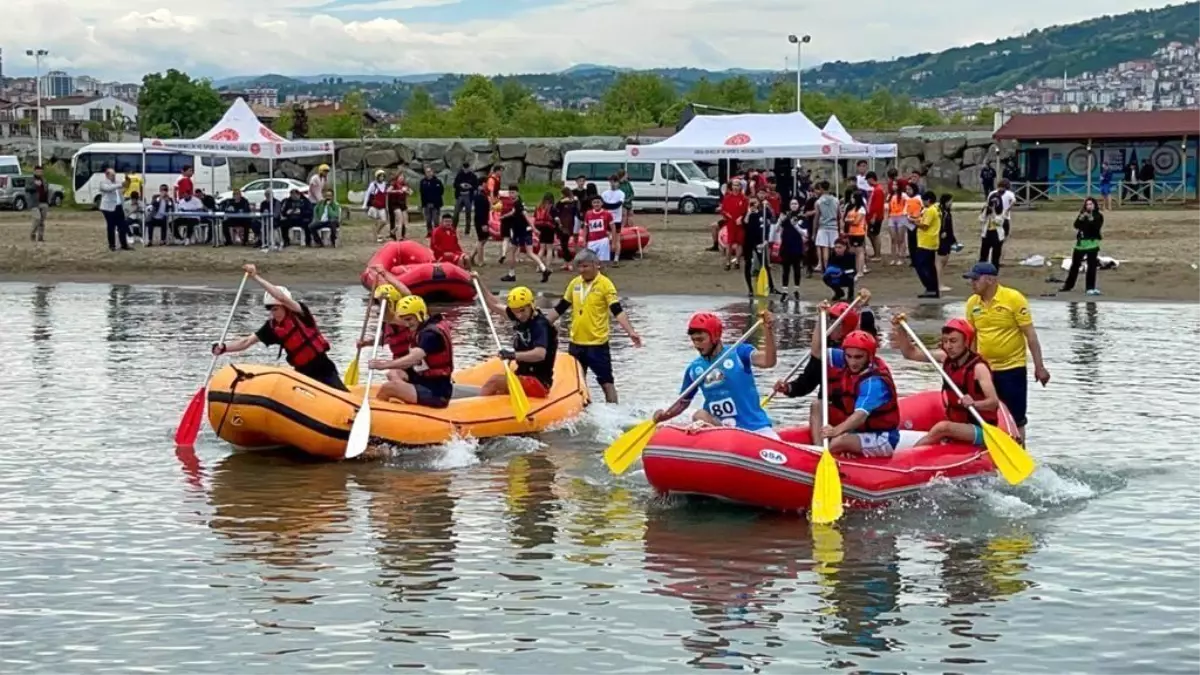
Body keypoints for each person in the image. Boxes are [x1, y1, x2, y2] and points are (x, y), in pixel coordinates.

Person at [212, 264, 347, 392]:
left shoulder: (299, 312)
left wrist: (255, 276)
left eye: (275, 308)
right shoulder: (271, 327)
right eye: (269, 309)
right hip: (302, 372)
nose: (272, 312)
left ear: (284, 307)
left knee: (338, 394)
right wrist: (224, 348)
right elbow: (246, 342)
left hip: (323, 367)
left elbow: (281, 297)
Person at [652, 310, 779, 438]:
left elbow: (768, 361)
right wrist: (665, 415)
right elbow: (682, 402)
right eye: (694, 340)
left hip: (755, 428)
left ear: (715, 336)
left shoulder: (739, 352)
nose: (697, 345)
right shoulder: (694, 369)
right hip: (721, 429)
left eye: (701, 340)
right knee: (699, 415)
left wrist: (768, 330)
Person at [963, 262, 1050, 443]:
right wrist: (969, 368)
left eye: (975, 279)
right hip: (985, 370)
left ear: (990, 280)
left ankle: (1020, 452)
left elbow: (1030, 335)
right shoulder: (972, 303)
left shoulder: (1013, 298)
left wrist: (1039, 367)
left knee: (1016, 418)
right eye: (971, 279)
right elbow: (972, 338)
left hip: (1012, 368)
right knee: (984, 415)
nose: (972, 283)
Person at [544, 249, 642, 403]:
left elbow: (617, 310)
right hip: (576, 343)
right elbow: (560, 308)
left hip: (597, 344)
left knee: (606, 383)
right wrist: (540, 324)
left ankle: (614, 413)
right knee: (577, 384)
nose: (582, 271)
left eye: (585, 266)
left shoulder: (605, 284)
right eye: (579, 267)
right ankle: (584, 410)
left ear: (597, 265)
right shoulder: (575, 283)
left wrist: (631, 332)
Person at [890, 315, 1002, 448]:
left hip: (982, 428)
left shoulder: (979, 368)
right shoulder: (945, 358)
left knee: (943, 427)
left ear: (966, 342)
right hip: (960, 423)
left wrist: (974, 404)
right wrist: (901, 329)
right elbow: (911, 353)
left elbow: (993, 403)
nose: (948, 346)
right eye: (945, 341)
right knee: (940, 426)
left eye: (953, 341)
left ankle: (909, 457)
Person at [808, 317, 907, 457]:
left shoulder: (875, 382)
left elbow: (859, 417)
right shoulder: (847, 359)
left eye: (858, 357)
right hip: (858, 431)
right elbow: (817, 351)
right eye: (849, 356)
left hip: (882, 438)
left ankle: (825, 456)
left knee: (839, 441)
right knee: (817, 405)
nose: (853, 362)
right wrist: (820, 318)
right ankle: (818, 451)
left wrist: (836, 431)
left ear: (870, 356)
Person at [773, 291, 876, 400]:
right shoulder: (825, 349)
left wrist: (864, 305)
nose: (829, 324)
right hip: (831, 406)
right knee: (816, 406)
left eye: (834, 321)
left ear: (845, 326)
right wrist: (788, 388)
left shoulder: (861, 347)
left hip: (856, 404)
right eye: (829, 320)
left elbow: (866, 327)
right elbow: (807, 382)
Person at [475, 278, 559, 398]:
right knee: (498, 388)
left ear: (531, 305)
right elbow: (493, 304)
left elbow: (540, 354)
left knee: (494, 381)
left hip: (539, 383)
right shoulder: (517, 316)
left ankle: (478, 411)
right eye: (515, 312)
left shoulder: (540, 325)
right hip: (523, 376)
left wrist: (513, 355)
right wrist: (478, 280)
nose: (519, 315)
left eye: (522, 310)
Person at [368, 295, 455, 408]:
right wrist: (385, 304)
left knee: (388, 388)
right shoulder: (424, 324)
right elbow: (391, 318)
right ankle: (406, 401)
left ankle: (379, 412)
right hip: (423, 381)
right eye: (405, 320)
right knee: (394, 372)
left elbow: (414, 358)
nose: (407, 324)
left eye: (409, 319)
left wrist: (383, 365)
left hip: (436, 393)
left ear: (420, 314)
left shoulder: (430, 334)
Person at [498, 184, 551, 283]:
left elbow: (525, 215)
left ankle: (511, 274)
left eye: (513, 192)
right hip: (525, 230)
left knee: (513, 252)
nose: (511, 194)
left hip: (521, 231)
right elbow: (514, 211)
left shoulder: (518, 204)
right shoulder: (518, 202)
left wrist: (534, 228)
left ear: (517, 193)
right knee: (529, 253)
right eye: (510, 192)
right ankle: (544, 269)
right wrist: (504, 216)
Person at [1060, 197, 1104, 296]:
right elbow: (1076, 225)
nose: (1089, 206)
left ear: (1094, 205)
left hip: (1092, 244)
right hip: (1081, 244)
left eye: (1091, 204)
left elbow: (1096, 228)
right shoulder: (1082, 215)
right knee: (1075, 265)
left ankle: (1090, 287)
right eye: (1087, 204)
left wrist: (1091, 219)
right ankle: (1068, 285)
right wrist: (1081, 218)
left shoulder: (1098, 216)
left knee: (1091, 266)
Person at [771, 198, 806, 298]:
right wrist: (779, 221)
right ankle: (785, 290)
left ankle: (796, 289)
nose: (794, 205)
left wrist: (796, 226)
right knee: (785, 269)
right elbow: (777, 230)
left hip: (797, 246)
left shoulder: (801, 217)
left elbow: (804, 233)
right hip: (786, 246)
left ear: (798, 205)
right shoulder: (786, 217)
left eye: (796, 203)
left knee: (797, 268)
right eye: (792, 204)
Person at [979, 178, 1015, 267]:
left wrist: (1003, 211)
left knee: (997, 244)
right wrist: (1007, 210)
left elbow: (997, 220)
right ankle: (991, 262)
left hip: (999, 219)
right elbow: (1014, 201)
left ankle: (994, 262)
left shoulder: (994, 194)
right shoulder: (1006, 193)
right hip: (995, 222)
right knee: (994, 245)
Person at [913, 190, 942, 299]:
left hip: (926, 242)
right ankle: (934, 289)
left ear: (928, 200)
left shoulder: (930, 210)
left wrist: (915, 222)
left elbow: (925, 225)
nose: (923, 203)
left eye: (924, 201)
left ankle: (930, 287)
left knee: (920, 265)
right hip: (931, 241)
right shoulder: (936, 209)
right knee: (930, 266)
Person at [98, 167, 131, 252]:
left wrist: (127, 179)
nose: (114, 177)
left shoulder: (117, 182)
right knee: (111, 227)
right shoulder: (103, 183)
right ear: (107, 175)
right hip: (108, 208)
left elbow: (125, 187)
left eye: (114, 175)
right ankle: (112, 245)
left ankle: (124, 244)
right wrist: (121, 184)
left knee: (122, 226)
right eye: (112, 175)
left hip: (118, 207)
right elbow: (108, 188)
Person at [581, 195, 615, 265]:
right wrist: (584, 240)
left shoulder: (607, 214)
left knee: (603, 262)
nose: (596, 204)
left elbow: (613, 228)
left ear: (602, 203)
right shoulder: (588, 214)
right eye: (594, 202)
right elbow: (586, 228)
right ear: (591, 204)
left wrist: (613, 242)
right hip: (591, 241)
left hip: (603, 240)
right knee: (591, 261)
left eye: (598, 202)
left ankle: (602, 274)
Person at [936, 193, 957, 293]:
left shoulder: (947, 212)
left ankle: (939, 283)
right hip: (942, 239)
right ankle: (939, 284)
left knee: (944, 261)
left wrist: (953, 240)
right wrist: (941, 232)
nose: (951, 203)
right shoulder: (942, 212)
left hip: (947, 239)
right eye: (950, 201)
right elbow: (940, 225)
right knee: (940, 261)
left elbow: (950, 228)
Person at [363, 169, 390, 243]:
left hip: (382, 206)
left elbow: (387, 195)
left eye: (383, 176)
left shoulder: (385, 184)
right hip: (374, 206)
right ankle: (377, 236)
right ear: (377, 177)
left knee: (384, 221)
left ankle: (377, 232)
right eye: (380, 176)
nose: (382, 177)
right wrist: (365, 205)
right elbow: (367, 194)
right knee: (375, 222)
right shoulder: (373, 185)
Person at [26, 165, 50, 243]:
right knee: (37, 218)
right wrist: (35, 185)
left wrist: (48, 201)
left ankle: (40, 237)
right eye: (38, 171)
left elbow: (47, 190)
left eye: (41, 171)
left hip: (43, 202)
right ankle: (32, 234)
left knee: (42, 221)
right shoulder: (30, 180)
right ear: (35, 171)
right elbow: (27, 189)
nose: (39, 173)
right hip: (34, 203)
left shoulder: (44, 180)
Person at [452, 162, 478, 231]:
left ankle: (467, 229)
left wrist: (470, 186)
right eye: (465, 168)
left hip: (468, 196)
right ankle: (453, 227)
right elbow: (454, 185)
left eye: (467, 168)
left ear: (469, 168)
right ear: (463, 168)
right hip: (460, 195)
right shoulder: (459, 175)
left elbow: (476, 186)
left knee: (468, 213)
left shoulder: (473, 176)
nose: (466, 169)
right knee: (456, 212)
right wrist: (460, 185)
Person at [419, 166, 444, 237]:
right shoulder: (423, 182)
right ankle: (429, 232)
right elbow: (422, 193)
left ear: (432, 172)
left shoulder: (437, 181)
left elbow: (441, 191)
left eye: (430, 172)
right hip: (426, 204)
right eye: (427, 172)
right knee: (428, 219)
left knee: (436, 220)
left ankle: (437, 233)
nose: (428, 173)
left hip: (436, 204)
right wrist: (423, 204)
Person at [387, 171, 411, 240]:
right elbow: (388, 191)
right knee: (400, 220)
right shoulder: (394, 184)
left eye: (403, 177)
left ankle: (394, 231)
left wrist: (407, 191)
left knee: (405, 221)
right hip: (395, 204)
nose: (402, 178)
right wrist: (397, 191)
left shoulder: (405, 184)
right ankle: (399, 237)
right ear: (397, 177)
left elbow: (410, 192)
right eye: (400, 177)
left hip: (403, 204)